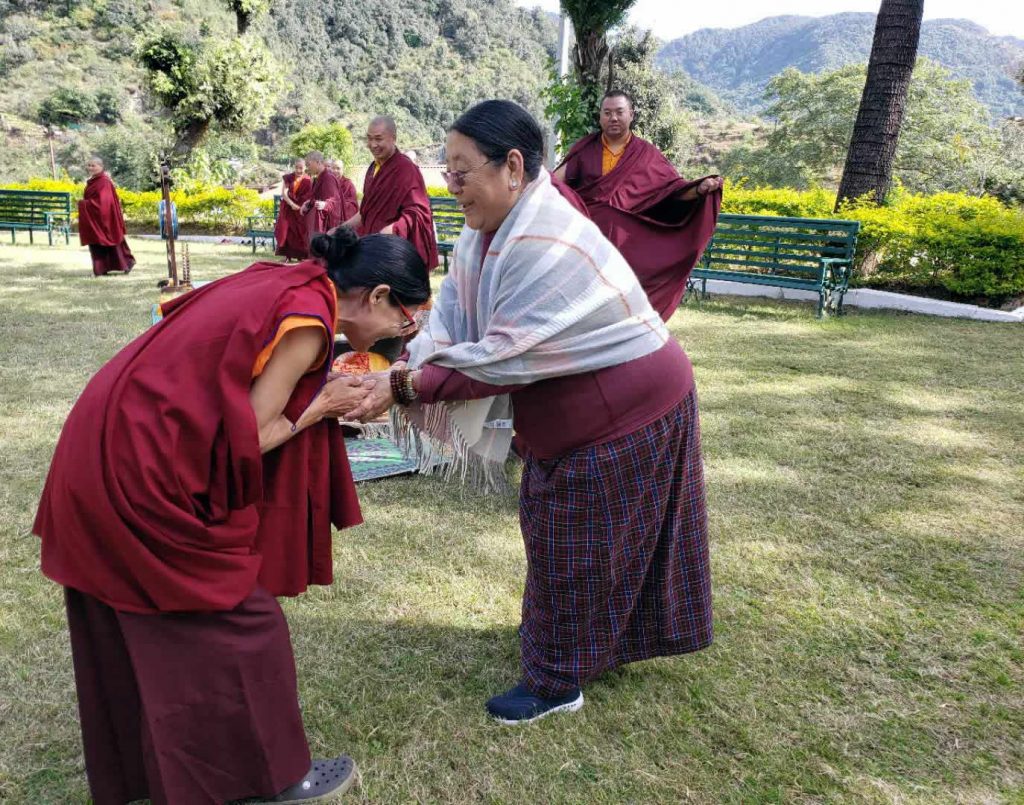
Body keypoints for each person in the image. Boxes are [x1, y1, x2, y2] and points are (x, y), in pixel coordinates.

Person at [346, 100, 713, 724]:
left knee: (576, 545)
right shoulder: (484, 233)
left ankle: (555, 681)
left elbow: (506, 356)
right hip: (581, 415)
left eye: (462, 171)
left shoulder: (547, 234)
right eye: (446, 170)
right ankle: (578, 645)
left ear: (513, 167)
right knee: (567, 538)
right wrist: (403, 363)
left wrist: (404, 386)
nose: (450, 185)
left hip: (630, 410)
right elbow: (454, 317)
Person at [34, 230, 430, 803]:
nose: (402, 331)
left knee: (139, 616)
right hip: (139, 466)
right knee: (242, 622)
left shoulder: (289, 279)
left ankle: (146, 771)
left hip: (103, 438)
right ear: (378, 296)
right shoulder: (309, 324)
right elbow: (252, 436)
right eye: (406, 319)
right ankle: (273, 778)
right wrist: (322, 405)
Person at [554, 90, 724, 321]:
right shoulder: (586, 149)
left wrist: (699, 189)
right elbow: (555, 182)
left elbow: (672, 191)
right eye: (607, 113)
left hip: (628, 247)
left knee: (621, 307)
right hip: (587, 244)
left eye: (619, 112)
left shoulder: (646, 154)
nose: (613, 118)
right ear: (600, 116)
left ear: (631, 115)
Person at [342, 116, 438, 271]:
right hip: (372, 248)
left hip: (394, 252)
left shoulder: (406, 169)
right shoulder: (373, 169)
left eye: (378, 139)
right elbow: (365, 212)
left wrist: (391, 230)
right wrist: (341, 228)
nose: (373, 144)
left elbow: (418, 214)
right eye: (369, 139)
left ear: (393, 138)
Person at [78, 157, 136, 276]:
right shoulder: (94, 180)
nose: (90, 168)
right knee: (97, 242)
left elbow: (103, 202)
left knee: (110, 241)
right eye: (89, 165)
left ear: (101, 166)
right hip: (95, 218)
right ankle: (102, 269)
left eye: (93, 165)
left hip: (105, 218)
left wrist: (84, 204)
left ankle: (127, 263)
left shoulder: (104, 182)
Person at [275, 157, 313, 261]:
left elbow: (309, 195)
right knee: (286, 231)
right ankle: (287, 255)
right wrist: (292, 204)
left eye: (301, 168)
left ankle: (301, 255)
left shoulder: (308, 180)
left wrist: (301, 206)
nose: (298, 170)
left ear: (305, 168)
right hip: (288, 207)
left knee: (300, 232)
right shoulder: (288, 178)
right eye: (296, 167)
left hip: (301, 209)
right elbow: (284, 193)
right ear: (293, 167)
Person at [301, 150, 344, 236]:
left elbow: (336, 201)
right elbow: (318, 197)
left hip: (326, 226)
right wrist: (309, 203)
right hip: (318, 222)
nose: (307, 167)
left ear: (318, 162)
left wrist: (326, 204)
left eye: (308, 164)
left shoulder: (328, 178)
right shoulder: (319, 177)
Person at [328, 158, 359, 223]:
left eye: (338, 168)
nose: (335, 171)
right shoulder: (327, 183)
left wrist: (336, 205)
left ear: (342, 170)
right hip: (328, 218)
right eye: (333, 168)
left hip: (342, 220)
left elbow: (353, 205)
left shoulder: (348, 184)